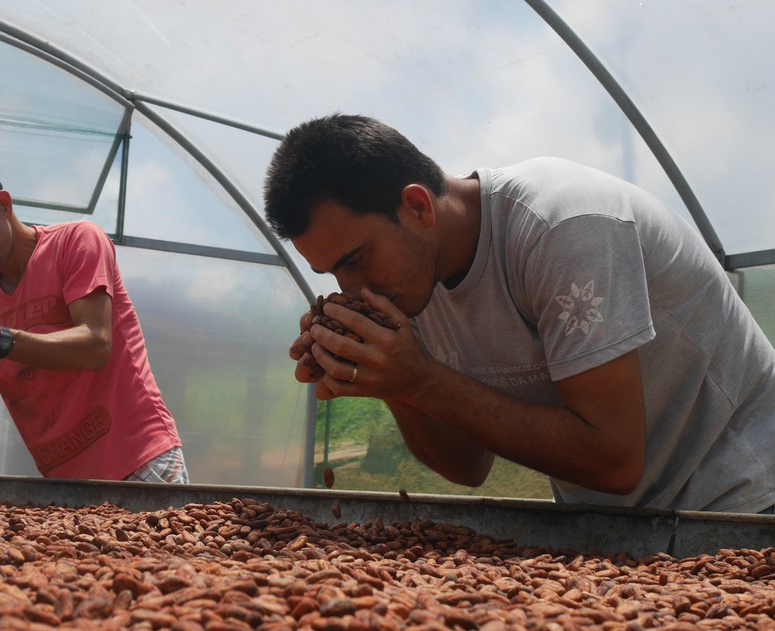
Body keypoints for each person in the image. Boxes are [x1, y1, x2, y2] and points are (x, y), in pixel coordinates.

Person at [264, 113, 775, 513]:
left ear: (418, 208)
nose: (352, 288)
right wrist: (393, 385)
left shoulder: (561, 226)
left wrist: (421, 381)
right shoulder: (410, 280)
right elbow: (467, 467)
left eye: (355, 259)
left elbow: (615, 460)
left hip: (745, 494)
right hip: (613, 523)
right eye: (332, 273)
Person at [0, 162, 187, 483]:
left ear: (3, 204)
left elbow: (95, 346)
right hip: (65, 482)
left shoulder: (76, 243)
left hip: (139, 462)